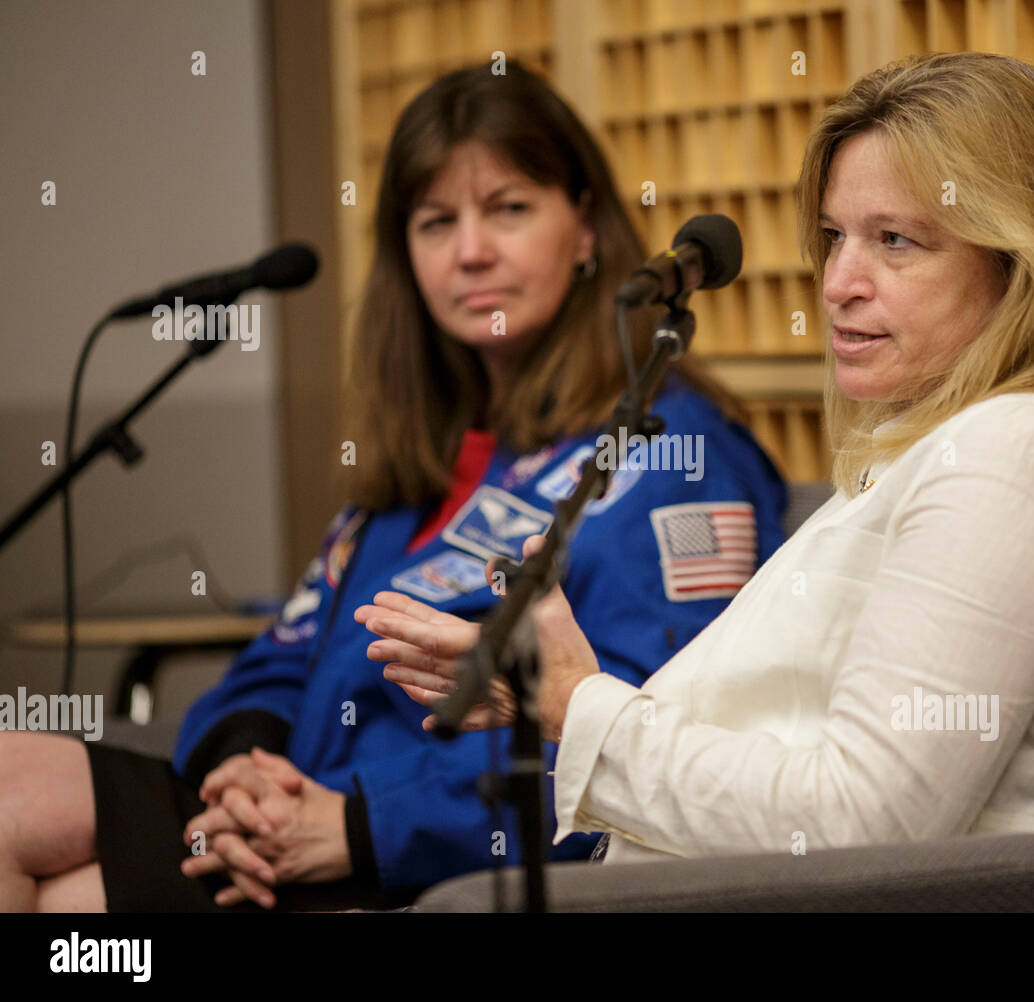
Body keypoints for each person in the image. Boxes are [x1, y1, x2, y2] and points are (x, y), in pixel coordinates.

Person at [0, 63, 785, 912]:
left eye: (509, 209)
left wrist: (356, 826)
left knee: (70, 900)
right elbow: (281, 655)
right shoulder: (426, 460)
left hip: (420, 859)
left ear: (587, 228)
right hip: (290, 821)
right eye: (436, 221)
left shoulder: (674, 452)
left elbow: (643, 736)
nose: (471, 250)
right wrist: (238, 770)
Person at [364, 51, 1034, 866]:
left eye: (895, 240)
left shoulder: (1026, 454)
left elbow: (864, 825)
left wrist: (579, 706)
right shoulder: (939, 446)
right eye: (833, 237)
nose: (837, 283)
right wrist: (544, 696)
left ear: (1022, 262)